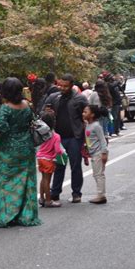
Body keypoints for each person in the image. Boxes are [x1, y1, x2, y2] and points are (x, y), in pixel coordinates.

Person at [0, 77, 41, 227]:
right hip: (27, 148)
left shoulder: (6, 107)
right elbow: (32, 121)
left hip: (9, 150)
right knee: (26, 181)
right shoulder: (26, 105)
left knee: (6, 182)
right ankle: (26, 214)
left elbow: (1, 127)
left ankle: (7, 215)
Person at [42, 73, 88, 203]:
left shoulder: (80, 99)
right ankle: (55, 192)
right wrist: (47, 113)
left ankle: (76, 193)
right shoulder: (53, 97)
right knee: (58, 166)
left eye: (65, 86)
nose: (62, 88)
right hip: (57, 138)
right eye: (60, 85)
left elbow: (88, 114)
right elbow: (42, 112)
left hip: (75, 137)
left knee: (75, 166)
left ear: (71, 85)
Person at [37, 112, 64, 208]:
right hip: (48, 159)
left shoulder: (40, 133)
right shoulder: (56, 136)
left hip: (40, 157)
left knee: (43, 179)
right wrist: (62, 152)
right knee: (47, 180)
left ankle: (41, 198)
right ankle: (48, 200)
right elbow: (57, 150)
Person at [83, 105, 108, 204]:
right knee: (96, 174)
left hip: (98, 153)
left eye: (86, 112)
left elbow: (103, 140)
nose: (83, 113)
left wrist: (104, 153)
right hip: (93, 153)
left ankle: (101, 195)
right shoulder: (88, 125)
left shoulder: (96, 126)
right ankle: (100, 194)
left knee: (99, 174)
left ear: (92, 115)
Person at [102, 71, 122, 136]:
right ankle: (112, 131)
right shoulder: (108, 84)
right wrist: (118, 81)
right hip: (114, 103)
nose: (113, 77)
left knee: (118, 117)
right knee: (114, 117)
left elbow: (121, 89)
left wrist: (123, 83)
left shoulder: (115, 84)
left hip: (118, 102)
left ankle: (117, 130)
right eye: (112, 77)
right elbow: (112, 86)